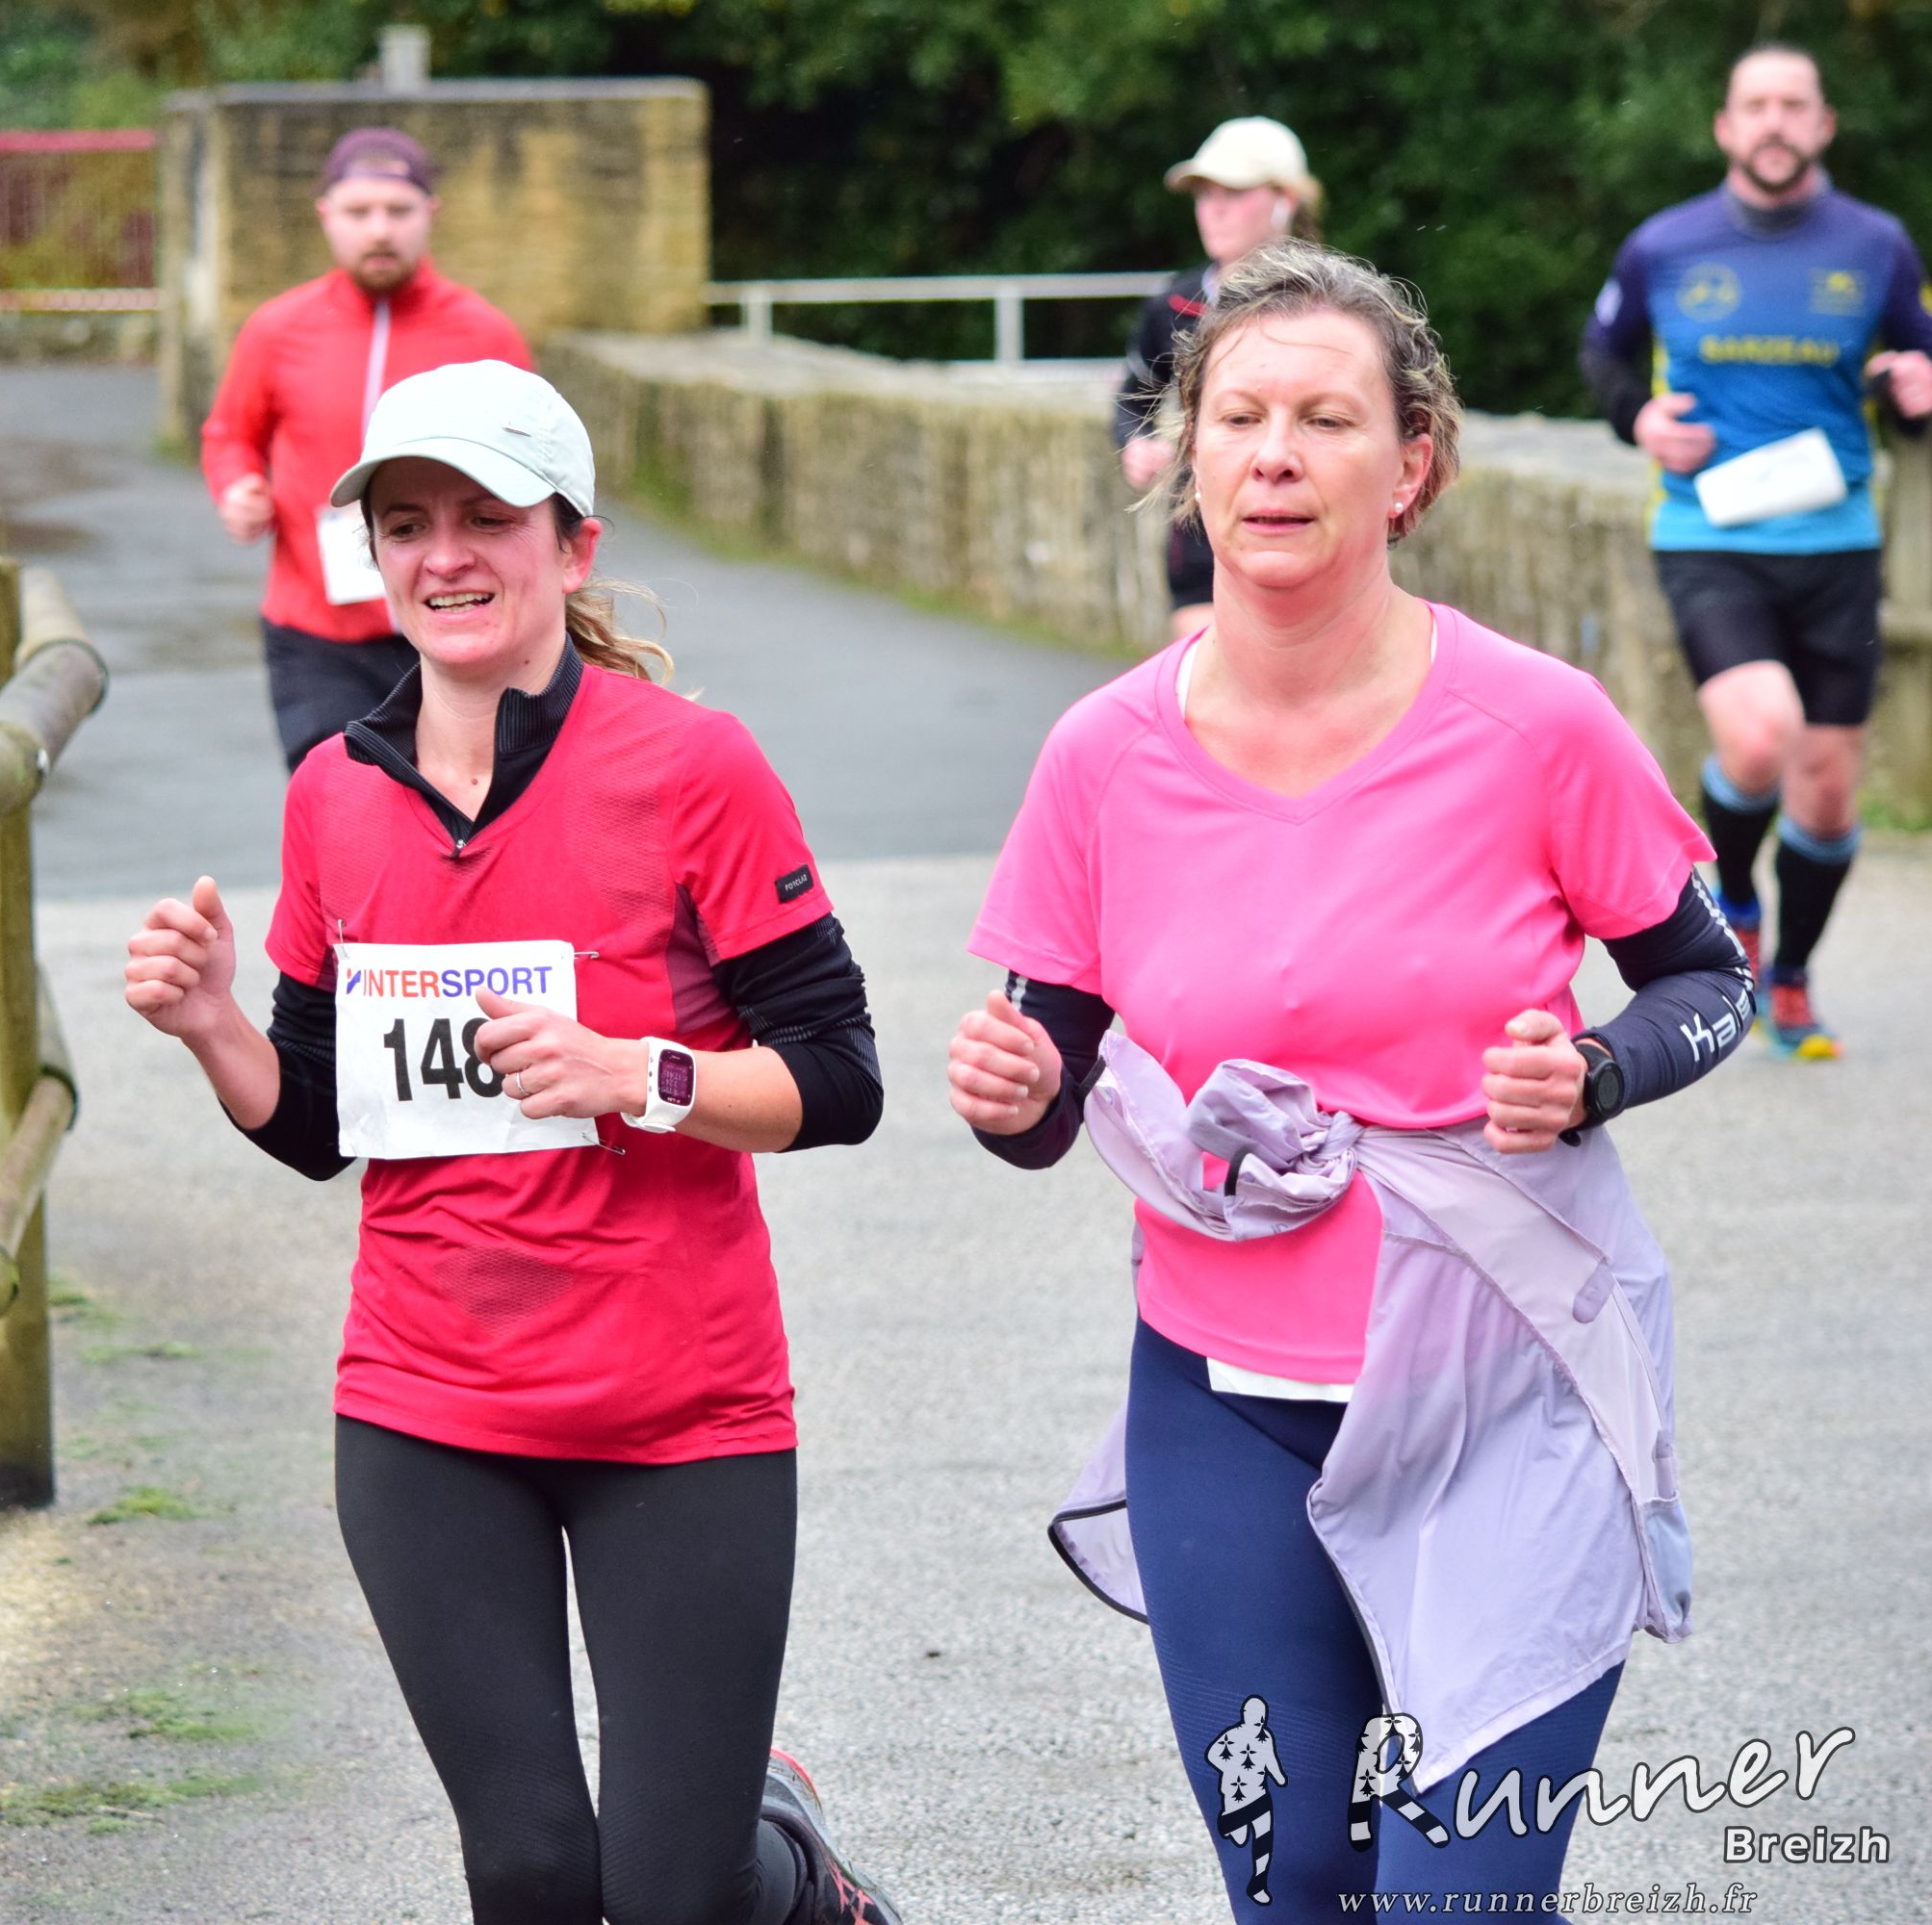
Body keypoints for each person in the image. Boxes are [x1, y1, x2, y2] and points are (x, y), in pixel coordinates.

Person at [953, 242, 1753, 1919]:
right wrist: (1015, 1097)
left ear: (1410, 469)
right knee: (1295, 1879)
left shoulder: (1536, 724)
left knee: (1463, 1898)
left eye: (1326, 419)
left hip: (1507, 1389)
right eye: (1239, 417)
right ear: (1186, 457)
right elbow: (1050, 1076)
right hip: (1224, 1405)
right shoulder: (1102, 755)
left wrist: (1592, 1072)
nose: (1275, 455)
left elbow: (1709, 976)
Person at [129, 359, 902, 1925]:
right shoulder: (334, 793)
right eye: (407, 524)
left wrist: (640, 1074)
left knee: (674, 1895)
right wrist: (214, 1028)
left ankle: (801, 1883)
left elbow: (841, 1077)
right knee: (536, 1869)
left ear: (574, 543)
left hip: (677, 1411)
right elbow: (320, 1125)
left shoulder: (691, 767)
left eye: (488, 516)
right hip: (428, 1406)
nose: (446, 555)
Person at [1581, 42, 1932, 1057]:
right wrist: (1640, 417)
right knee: (1758, 735)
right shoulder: (1664, 244)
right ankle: (1734, 899)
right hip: (1709, 533)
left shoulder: (1875, 244)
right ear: (1726, 128)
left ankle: (1792, 976)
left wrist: (1915, 390)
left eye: (1794, 104)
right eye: (1756, 105)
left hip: (1838, 540)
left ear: (1822, 125)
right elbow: (1602, 352)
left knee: (1826, 789)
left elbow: (1913, 366)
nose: (1775, 121)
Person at [199, 127, 533, 770]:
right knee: (339, 802)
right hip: (317, 631)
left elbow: (534, 469)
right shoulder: (277, 329)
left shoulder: (485, 334)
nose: (379, 230)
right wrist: (237, 487)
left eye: (398, 210)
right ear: (326, 216)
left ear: (430, 214)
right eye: (359, 212)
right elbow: (230, 434)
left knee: (466, 803)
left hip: (456, 618)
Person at [1118, 116, 1324, 642]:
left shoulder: (1334, 307)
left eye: (1233, 192)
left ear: (1286, 200)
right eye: (1204, 194)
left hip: (1306, 528)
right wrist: (1136, 445)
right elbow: (1132, 401)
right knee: (1210, 675)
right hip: (1199, 539)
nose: (1214, 209)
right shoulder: (1175, 304)